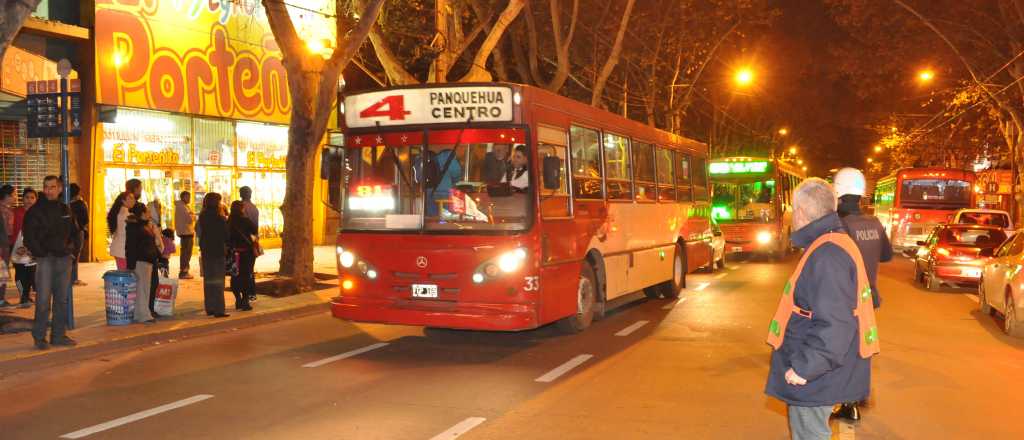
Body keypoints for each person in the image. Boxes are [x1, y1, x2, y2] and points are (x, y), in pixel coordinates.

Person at [764, 178, 878, 440]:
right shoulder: (831, 242)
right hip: (824, 369)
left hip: (817, 375)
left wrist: (806, 367)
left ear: (801, 212)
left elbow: (837, 323)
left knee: (810, 434)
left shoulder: (827, 254)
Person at [831, 167, 892, 422]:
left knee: (842, 351)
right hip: (869, 298)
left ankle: (848, 402)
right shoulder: (874, 223)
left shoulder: (839, 225)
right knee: (861, 349)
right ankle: (855, 399)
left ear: (837, 193)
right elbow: (886, 256)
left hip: (845, 299)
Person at [23, 176, 81, 350]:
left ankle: (58, 335)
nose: (49, 190)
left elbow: (75, 232)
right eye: (46, 187)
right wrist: (41, 254)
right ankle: (39, 337)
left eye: (53, 187)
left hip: (64, 260)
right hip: (45, 260)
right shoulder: (35, 211)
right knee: (42, 300)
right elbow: (29, 236)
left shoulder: (66, 209)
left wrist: (71, 251)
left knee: (62, 300)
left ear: (60, 189)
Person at [125, 204, 160, 324]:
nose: (150, 214)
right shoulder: (135, 227)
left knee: (145, 288)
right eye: (148, 212)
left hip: (147, 261)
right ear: (142, 214)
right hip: (140, 261)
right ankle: (144, 315)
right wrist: (130, 265)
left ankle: (140, 314)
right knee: (142, 289)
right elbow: (131, 247)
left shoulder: (143, 225)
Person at [197, 192, 229, 318]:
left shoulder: (203, 216)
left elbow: (199, 232)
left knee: (209, 279)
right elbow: (227, 235)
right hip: (218, 251)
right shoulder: (220, 218)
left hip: (206, 250)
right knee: (218, 281)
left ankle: (209, 307)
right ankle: (219, 309)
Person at [228, 201, 257, 311]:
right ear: (241, 209)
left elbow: (227, 238)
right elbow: (254, 230)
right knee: (246, 276)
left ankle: (238, 299)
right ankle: (245, 300)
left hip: (234, 253)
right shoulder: (245, 220)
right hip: (246, 253)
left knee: (235, 276)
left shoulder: (229, 222)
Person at [12, 188, 37, 308]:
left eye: (32, 197)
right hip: (18, 247)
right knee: (20, 272)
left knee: (31, 272)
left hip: (33, 246)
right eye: (27, 197)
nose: (29, 200)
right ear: (23, 199)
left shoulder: (38, 212)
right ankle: (23, 296)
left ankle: (26, 295)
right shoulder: (16, 212)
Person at [107, 192, 135, 270]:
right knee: (124, 275)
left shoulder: (118, 212)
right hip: (122, 249)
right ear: (123, 201)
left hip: (119, 249)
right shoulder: (126, 215)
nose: (133, 200)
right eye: (130, 198)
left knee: (123, 273)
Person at [69, 183, 88, 286]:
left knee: (69, 256)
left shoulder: (65, 203)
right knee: (75, 256)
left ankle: (70, 278)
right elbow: (86, 219)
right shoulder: (80, 204)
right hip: (77, 233)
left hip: (66, 233)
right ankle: (73, 278)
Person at [175, 191, 195, 279]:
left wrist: (191, 215)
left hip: (185, 231)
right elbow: (190, 219)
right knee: (186, 253)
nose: (189, 199)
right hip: (186, 232)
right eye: (188, 197)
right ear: (183, 197)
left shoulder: (183, 206)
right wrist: (192, 215)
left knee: (185, 252)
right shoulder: (183, 207)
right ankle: (184, 271)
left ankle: (184, 270)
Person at [0, 185, 12, 308]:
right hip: (3, 246)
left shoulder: (8, 210)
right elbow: (7, 231)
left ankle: (24, 295)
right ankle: (1, 299)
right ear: (7, 196)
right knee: (2, 274)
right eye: (13, 195)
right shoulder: (5, 211)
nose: (14, 198)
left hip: (9, 245)